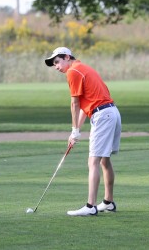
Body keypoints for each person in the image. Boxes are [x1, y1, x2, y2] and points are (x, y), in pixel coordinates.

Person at [45, 47, 122, 216]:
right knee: (104, 160)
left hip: (102, 115)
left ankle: (90, 206)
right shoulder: (84, 68)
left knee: (93, 161)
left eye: (57, 62)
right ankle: (108, 202)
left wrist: (74, 130)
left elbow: (75, 104)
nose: (56, 67)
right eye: (54, 64)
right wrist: (76, 131)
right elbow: (84, 106)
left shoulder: (73, 72)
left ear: (67, 57)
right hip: (112, 113)